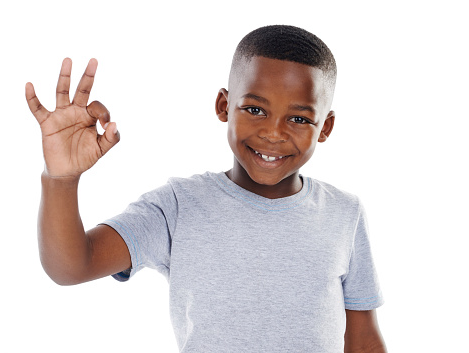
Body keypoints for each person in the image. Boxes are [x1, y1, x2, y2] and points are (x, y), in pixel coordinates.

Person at [26, 25, 386, 352]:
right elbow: (71, 266)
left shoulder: (344, 214)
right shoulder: (179, 207)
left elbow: (363, 338)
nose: (274, 133)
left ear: (325, 127)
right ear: (224, 106)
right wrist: (61, 179)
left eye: (299, 119)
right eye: (255, 109)